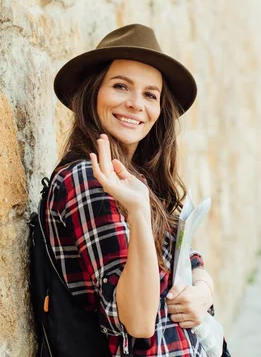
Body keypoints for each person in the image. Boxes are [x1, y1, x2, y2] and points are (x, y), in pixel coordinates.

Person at [45, 24, 218, 356]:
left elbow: (189, 259)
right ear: (93, 92)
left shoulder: (139, 178)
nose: (136, 104)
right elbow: (138, 322)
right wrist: (138, 212)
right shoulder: (89, 178)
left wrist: (203, 292)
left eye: (150, 94)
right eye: (121, 86)